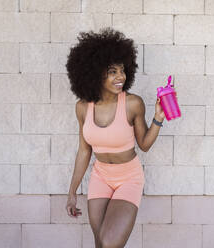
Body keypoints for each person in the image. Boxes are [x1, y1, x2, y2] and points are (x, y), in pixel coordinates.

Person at [64, 27, 171, 248]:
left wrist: (158, 118)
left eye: (122, 70)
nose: (120, 77)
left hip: (128, 177)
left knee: (109, 242)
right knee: (100, 243)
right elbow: (84, 151)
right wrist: (72, 191)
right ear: (94, 73)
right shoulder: (83, 107)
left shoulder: (133, 103)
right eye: (112, 71)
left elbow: (144, 145)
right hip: (100, 176)